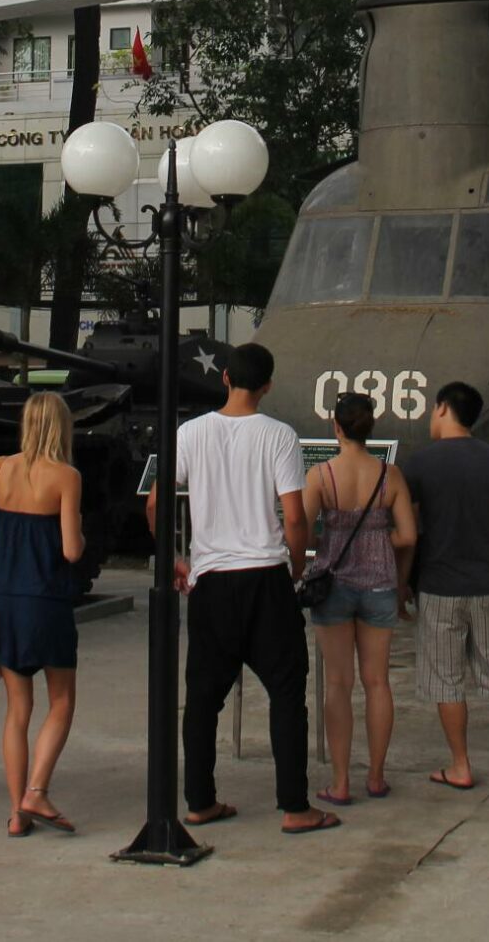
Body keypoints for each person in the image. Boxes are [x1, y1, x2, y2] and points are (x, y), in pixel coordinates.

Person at [151, 342, 340, 836]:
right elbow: (294, 516)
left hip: (211, 579)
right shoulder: (279, 436)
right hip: (265, 575)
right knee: (285, 692)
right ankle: (295, 806)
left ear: (225, 378)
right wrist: (296, 567)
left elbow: (156, 503)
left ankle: (199, 801)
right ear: (268, 386)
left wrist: (175, 558)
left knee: (203, 697)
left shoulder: (190, 433)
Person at [401, 381, 489, 789]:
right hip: (486, 584)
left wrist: (401, 582)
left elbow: (410, 533)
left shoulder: (419, 465)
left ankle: (460, 765)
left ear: (443, 408)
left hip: (438, 586)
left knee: (446, 680)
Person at [0, 393, 84, 837]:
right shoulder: (66, 476)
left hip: (5, 598)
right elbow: (71, 550)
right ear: (62, 427)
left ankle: (16, 814)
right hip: (48, 599)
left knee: (17, 709)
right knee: (61, 701)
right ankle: (37, 790)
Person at [301, 391, 416, 807]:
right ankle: (377, 776)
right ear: (371, 428)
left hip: (333, 582)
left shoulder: (322, 476)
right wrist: (376, 540)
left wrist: (320, 542)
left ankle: (341, 781)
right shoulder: (391, 475)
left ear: (336, 427)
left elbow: (302, 528)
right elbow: (408, 536)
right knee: (378, 681)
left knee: (337, 683)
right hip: (381, 582)